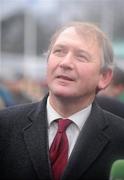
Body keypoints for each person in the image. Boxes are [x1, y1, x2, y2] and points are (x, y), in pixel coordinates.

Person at [0, 22, 124, 180]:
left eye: (81, 56)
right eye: (59, 51)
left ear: (104, 77)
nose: (65, 63)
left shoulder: (120, 138)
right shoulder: (4, 126)